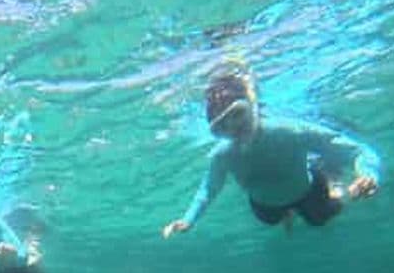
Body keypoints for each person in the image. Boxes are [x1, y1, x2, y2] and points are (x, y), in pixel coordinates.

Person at [162, 64, 380, 238]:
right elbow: (208, 190)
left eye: (237, 114)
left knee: (323, 217)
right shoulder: (223, 154)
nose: (233, 128)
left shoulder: (289, 130)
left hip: (308, 190)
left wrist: (368, 173)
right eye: (222, 126)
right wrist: (188, 219)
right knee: (271, 218)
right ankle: (291, 211)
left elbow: (357, 150)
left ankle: (332, 181)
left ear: (253, 105)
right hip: (266, 207)